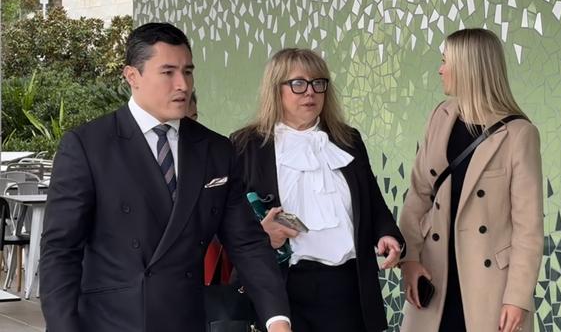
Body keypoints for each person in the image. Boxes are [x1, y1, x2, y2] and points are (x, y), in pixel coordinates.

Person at [39, 22, 292, 332]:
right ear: (132, 76)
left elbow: (247, 243)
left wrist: (277, 319)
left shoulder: (215, 149)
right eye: (168, 72)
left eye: (187, 71)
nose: (183, 85)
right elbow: (60, 251)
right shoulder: (88, 146)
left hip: (187, 318)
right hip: (113, 321)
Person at [231, 48, 405, 332]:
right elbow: (229, 218)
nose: (310, 92)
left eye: (318, 83)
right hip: (283, 288)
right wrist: (262, 235)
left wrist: (386, 233)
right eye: (298, 84)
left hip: (348, 288)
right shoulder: (246, 145)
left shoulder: (347, 140)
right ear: (275, 89)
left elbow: (371, 200)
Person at [398, 28, 543, 332]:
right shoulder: (440, 116)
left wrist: (517, 298)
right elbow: (418, 196)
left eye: (445, 61)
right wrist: (409, 259)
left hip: (488, 286)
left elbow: (528, 228)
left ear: (469, 67)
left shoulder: (518, 134)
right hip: (434, 276)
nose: (440, 69)